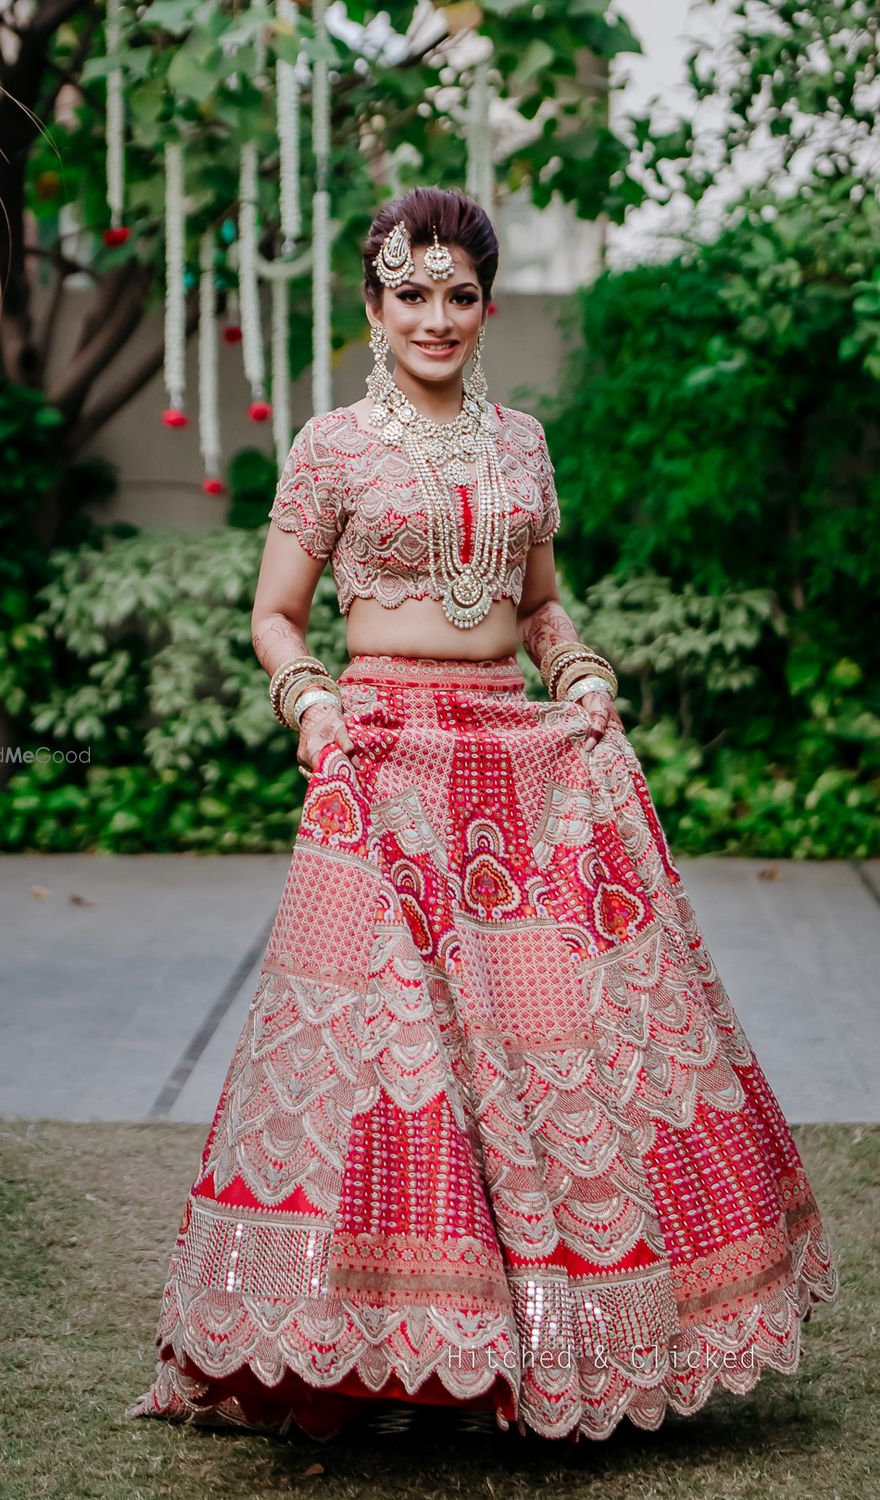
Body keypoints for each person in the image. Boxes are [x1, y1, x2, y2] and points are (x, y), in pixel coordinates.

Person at [126, 185, 839, 1444]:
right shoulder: (332, 447)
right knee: (384, 1065)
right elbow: (275, 614)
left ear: (486, 305)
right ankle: (354, 1356)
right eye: (412, 293)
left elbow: (543, 604)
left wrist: (578, 671)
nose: (436, 317)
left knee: (541, 1053)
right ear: (373, 304)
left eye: (459, 295)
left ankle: (545, 1350)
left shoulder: (523, 444)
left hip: (517, 773)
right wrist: (312, 710)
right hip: (384, 763)